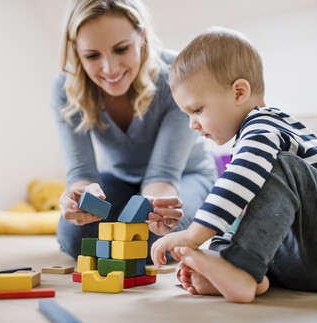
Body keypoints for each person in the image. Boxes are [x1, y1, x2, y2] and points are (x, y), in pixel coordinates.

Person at [151, 27, 317, 303]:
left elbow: (237, 183)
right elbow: (241, 209)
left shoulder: (264, 124)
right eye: (187, 114)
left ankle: (241, 269)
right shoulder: (247, 143)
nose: (192, 123)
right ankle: (245, 272)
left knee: (273, 169)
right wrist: (215, 250)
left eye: (197, 110)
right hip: (302, 260)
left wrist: (192, 235)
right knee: (242, 204)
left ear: (239, 92)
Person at [51, 0, 216, 260]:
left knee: (152, 240)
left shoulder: (177, 75)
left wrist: (156, 211)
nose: (110, 69)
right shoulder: (66, 89)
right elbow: (82, 175)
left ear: (142, 36)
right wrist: (77, 198)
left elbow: (163, 175)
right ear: (76, 52)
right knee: (77, 239)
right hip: (119, 178)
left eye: (121, 49)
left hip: (184, 176)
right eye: (92, 56)